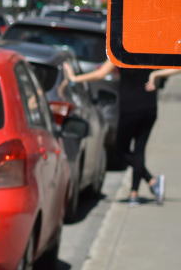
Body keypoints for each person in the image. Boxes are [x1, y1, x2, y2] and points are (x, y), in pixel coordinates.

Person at [69, 60, 181, 205]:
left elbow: (101, 73)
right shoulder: (151, 49)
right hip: (149, 107)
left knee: (121, 149)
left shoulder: (121, 52)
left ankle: (149, 182)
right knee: (139, 150)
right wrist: (156, 73)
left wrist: (75, 78)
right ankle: (135, 192)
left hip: (130, 108)